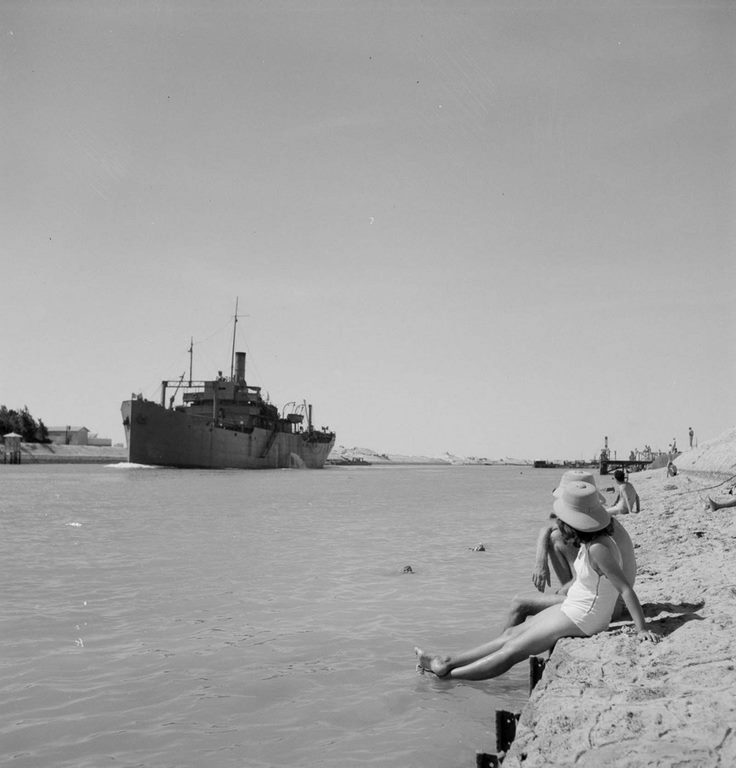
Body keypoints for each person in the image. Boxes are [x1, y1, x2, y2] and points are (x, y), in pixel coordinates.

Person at [414, 482, 660, 681]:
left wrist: (642, 629)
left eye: (563, 518)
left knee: (513, 651)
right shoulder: (589, 542)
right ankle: (447, 661)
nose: (559, 522)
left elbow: (625, 589)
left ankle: (449, 677)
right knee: (511, 633)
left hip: (585, 617)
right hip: (574, 606)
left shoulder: (599, 549)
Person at [507, 470, 636, 630]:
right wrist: (540, 562)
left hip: (608, 605)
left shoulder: (594, 534)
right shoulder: (595, 522)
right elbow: (546, 527)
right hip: (602, 599)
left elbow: (593, 578)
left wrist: (560, 593)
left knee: (519, 605)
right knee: (555, 535)